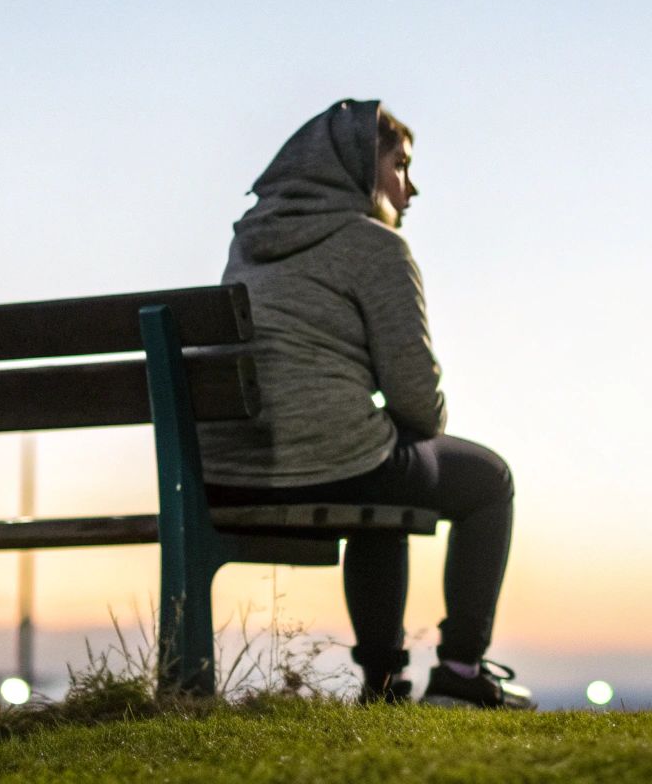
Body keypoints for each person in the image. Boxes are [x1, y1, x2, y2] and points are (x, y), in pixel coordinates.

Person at [201, 98, 532, 709]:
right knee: (488, 480)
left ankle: (384, 685)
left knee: (380, 471)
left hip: (230, 471)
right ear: (355, 169)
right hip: (332, 460)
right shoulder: (375, 245)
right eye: (399, 166)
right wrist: (407, 418)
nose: (411, 189)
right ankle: (460, 669)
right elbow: (417, 402)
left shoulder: (248, 246)